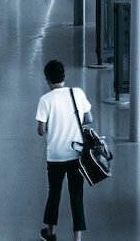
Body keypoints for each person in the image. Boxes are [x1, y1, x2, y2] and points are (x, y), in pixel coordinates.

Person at [36, 59, 91, 241]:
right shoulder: (77, 93)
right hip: (76, 154)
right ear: (64, 76)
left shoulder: (45, 100)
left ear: (47, 80)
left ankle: (51, 233)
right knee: (76, 195)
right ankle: (77, 238)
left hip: (55, 156)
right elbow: (88, 118)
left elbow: (41, 130)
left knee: (54, 193)